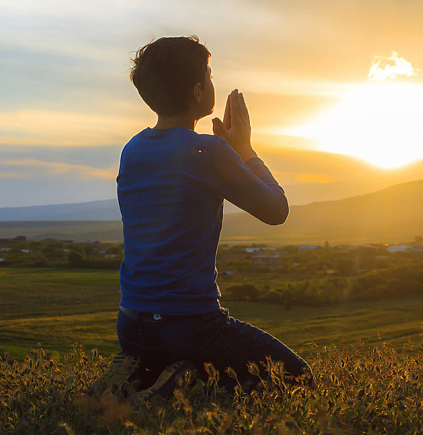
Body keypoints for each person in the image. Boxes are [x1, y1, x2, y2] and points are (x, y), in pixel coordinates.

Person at [89, 36, 311, 400]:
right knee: (299, 376)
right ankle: (186, 387)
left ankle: (146, 374)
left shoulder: (133, 150)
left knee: (169, 355)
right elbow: (277, 210)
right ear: (197, 92)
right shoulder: (207, 151)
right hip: (189, 327)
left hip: (130, 323)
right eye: (208, 76)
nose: (212, 82)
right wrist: (245, 150)